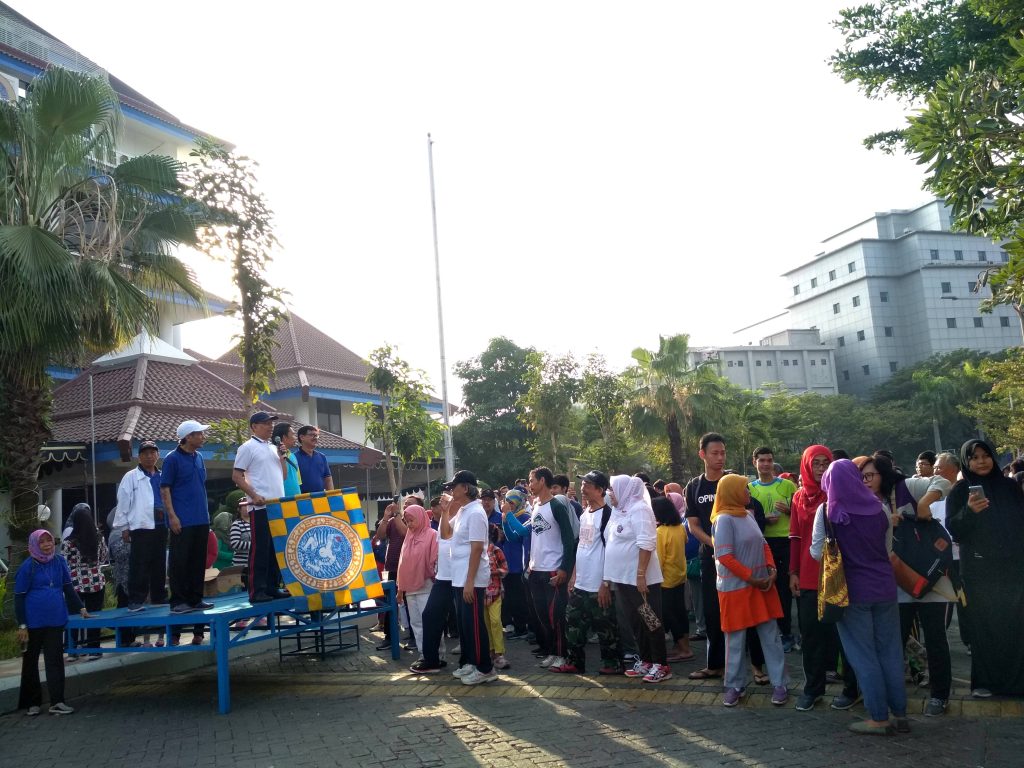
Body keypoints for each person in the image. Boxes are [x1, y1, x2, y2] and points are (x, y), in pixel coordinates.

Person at [813, 459, 907, 735]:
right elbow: (887, 549)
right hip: (885, 589)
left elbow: (816, 553)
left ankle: (878, 717)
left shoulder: (828, 511)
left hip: (850, 593)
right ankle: (900, 714)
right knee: (890, 652)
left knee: (864, 655)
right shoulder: (879, 508)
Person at [857, 452, 953, 717]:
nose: (865, 481)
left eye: (870, 476)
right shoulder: (861, 501)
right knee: (892, 640)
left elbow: (943, 482)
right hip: (896, 580)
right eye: (861, 476)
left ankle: (939, 695)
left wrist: (925, 502)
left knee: (936, 637)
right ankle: (892, 695)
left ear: (882, 475)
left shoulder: (906, 486)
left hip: (932, 576)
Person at [946, 438, 1024, 698]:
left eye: (985, 455)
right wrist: (969, 511)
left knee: (1014, 625)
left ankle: (1016, 683)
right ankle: (986, 682)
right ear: (966, 462)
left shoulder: (1010, 487)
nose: (981, 461)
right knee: (984, 626)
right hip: (979, 570)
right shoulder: (960, 491)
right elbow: (954, 530)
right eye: (974, 457)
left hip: (1013, 567)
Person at [789, 444, 858, 712]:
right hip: (807, 576)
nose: (820, 468)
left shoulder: (839, 492)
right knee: (811, 636)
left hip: (838, 575)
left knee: (844, 635)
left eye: (824, 462)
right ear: (806, 465)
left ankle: (852, 688)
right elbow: (795, 537)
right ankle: (812, 689)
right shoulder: (798, 498)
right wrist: (792, 572)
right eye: (815, 463)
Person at [711, 474, 788, 707]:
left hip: (761, 585)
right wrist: (751, 578)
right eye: (745, 489)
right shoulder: (723, 519)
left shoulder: (747, 514)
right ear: (733, 492)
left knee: (771, 636)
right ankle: (734, 685)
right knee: (735, 638)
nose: (749, 493)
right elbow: (724, 555)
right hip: (736, 588)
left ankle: (780, 683)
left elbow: (763, 544)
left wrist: (771, 568)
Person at [550, 470, 621, 674]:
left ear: (600, 490)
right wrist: (573, 577)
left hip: (599, 584)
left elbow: (610, 551)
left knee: (605, 627)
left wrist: (605, 584)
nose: (583, 489)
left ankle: (612, 664)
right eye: (582, 485)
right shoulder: (584, 514)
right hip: (581, 582)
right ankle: (574, 662)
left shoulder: (608, 515)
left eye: (588, 485)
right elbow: (581, 547)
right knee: (572, 622)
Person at [16, 530, 91, 716]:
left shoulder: (59, 561)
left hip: (55, 619)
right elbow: (19, 597)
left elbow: (67, 586)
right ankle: (33, 703)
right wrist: (22, 625)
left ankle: (57, 701)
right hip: (33, 623)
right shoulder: (27, 566)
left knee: (55, 661)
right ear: (35, 545)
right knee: (30, 662)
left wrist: (81, 608)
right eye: (42, 542)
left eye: (49, 541)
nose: (47, 545)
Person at [605, 475, 670, 683]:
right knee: (635, 620)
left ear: (623, 490)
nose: (609, 494)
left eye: (612, 490)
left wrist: (641, 574)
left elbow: (647, 542)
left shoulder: (640, 509)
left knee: (650, 620)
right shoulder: (618, 510)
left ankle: (661, 664)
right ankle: (646, 660)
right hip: (623, 579)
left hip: (641, 580)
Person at [443, 470, 496, 686]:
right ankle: (471, 662)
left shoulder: (475, 513)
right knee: (465, 625)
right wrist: (446, 510)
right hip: (459, 576)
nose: (450, 490)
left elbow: (476, 549)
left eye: (454, 486)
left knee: (474, 624)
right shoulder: (464, 510)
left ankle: (485, 668)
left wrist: (469, 581)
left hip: (470, 578)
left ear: (465, 488)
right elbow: (445, 534)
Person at [232, 411, 289, 605]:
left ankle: (272, 587)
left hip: (277, 505)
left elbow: (283, 476)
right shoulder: (247, 448)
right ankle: (257, 590)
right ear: (254, 426)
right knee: (260, 548)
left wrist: (282, 457)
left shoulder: (274, 448)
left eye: (271, 423)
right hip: (260, 506)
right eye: (265, 423)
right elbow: (237, 476)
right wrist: (254, 495)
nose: (270, 426)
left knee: (275, 549)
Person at [684, 433, 727, 681]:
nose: (720, 458)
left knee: (739, 610)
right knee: (712, 612)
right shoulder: (694, 487)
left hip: (736, 559)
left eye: (723, 453)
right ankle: (714, 664)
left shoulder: (733, 481)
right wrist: (714, 544)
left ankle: (754, 665)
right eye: (715, 453)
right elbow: (693, 525)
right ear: (702, 454)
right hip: (709, 558)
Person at [525, 466, 577, 670]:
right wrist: (531, 566)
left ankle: (562, 654)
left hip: (554, 570)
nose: (529, 485)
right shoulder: (536, 506)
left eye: (532, 480)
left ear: (542, 481)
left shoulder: (556, 506)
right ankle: (551, 652)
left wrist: (565, 568)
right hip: (536, 571)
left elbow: (568, 539)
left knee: (556, 616)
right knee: (542, 617)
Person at [747, 447, 797, 651]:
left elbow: (802, 513)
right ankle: (766, 632)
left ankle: (787, 633)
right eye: (762, 460)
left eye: (769, 460)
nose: (766, 464)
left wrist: (790, 509)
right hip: (762, 543)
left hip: (785, 541)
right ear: (754, 462)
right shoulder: (749, 488)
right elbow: (745, 517)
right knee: (764, 588)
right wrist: (762, 518)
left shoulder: (787, 485)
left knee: (784, 589)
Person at [162, 420, 213, 613]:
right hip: (182, 518)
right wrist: (172, 516)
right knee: (180, 560)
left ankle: (195, 598)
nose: (202, 437)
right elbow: (165, 488)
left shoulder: (199, 457)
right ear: (188, 437)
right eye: (199, 433)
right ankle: (178, 601)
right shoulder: (172, 459)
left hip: (201, 517)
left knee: (198, 560)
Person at [115, 440, 168, 612]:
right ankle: (136, 600)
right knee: (140, 564)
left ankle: (159, 597)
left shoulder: (163, 475)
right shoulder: (131, 476)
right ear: (139, 456)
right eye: (145, 453)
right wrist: (123, 526)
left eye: (153, 453)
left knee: (159, 563)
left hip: (161, 524)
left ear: (158, 455)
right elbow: (123, 502)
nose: (149, 456)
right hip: (140, 525)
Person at [932, 451, 969, 649]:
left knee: (966, 601)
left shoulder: (965, 492)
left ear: (954, 469)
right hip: (941, 559)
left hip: (963, 556)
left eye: (939, 467)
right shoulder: (932, 494)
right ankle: (939, 642)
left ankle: (970, 640)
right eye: (935, 467)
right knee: (944, 602)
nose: (935, 470)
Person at [61, 504, 107, 656]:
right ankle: (94, 649)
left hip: (75, 585)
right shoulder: (99, 538)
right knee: (95, 616)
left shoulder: (68, 542)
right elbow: (103, 558)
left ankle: (72, 650)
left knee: (74, 617)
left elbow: (64, 562)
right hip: (96, 582)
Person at [396, 504, 438, 666]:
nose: (409, 524)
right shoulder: (409, 536)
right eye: (407, 521)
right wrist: (400, 589)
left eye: (411, 520)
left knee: (431, 622)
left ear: (420, 518)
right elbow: (402, 564)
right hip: (410, 589)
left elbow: (435, 560)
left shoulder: (432, 535)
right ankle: (423, 654)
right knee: (416, 623)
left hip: (427, 586)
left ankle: (436, 654)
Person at [654, 495, 693, 664]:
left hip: (665, 580)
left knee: (669, 616)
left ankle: (684, 650)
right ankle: (682, 646)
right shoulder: (680, 528)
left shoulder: (660, 532)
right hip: (679, 576)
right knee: (680, 613)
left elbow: (659, 560)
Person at [374, 500, 407, 650]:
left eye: (410, 504)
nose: (406, 506)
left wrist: (398, 515)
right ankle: (389, 637)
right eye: (405, 504)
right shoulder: (392, 521)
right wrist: (386, 517)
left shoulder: (415, 520)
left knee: (410, 605)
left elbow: (404, 532)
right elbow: (380, 536)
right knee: (389, 603)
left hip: (409, 569)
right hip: (392, 568)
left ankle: (413, 637)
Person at [497, 488, 531, 640]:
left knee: (520, 599)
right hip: (508, 564)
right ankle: (519, 627)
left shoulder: (525, 516)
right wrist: (505, 521)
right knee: (511, 598)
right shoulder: (510, 516)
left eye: (511, 502)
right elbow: (511, 537)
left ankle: (523, 627)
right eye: (506, 502)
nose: (508, 505)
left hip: (520, 564)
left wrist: (508, 516)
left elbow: (521, 531)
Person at [484, 526, 510, 670]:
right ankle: (490, 651)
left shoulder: (496, 551)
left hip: (495, 593)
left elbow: (505, 570)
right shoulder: (475, 550)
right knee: (486, 624)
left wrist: (493, 572)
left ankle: (499, 653)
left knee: (495, 622)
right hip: (480, 594)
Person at [294, 425, 334, 494]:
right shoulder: (294, 457)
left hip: (321, 498)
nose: (315, 438)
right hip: (302, 500)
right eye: (312, 435)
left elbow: (328, 479)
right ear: (302, 437)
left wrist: (332, 496)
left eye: (316, 436)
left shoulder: (322, 457)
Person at [272, 422, 301, 497]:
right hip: (280, 500)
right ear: (284, 437)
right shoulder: (272, 454)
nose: (295, 438)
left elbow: (298, 482)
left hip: (296, 500)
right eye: (293, 434)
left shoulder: (292, 456)